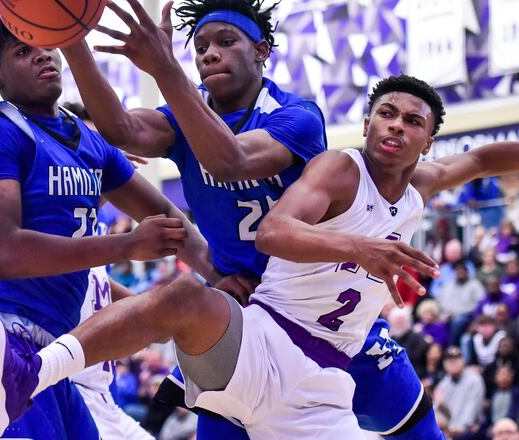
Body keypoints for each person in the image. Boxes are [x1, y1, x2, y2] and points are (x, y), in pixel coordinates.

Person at [0, 69, 519, 437]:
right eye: (387, 112)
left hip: (322, 384)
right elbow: (273, 235)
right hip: (266, 338)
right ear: (368, 122)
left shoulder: (427, 181)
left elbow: (486, 155)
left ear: (425, 142)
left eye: (412, 121)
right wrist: (363, 248)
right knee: (181, 297)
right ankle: (32, 372)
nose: (396, 125)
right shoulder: (339, 167)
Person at [61, 0, 443, 438]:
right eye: (200, 46)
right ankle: (40, 370)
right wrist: (72, 42)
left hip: (321, 319)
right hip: (242, 323)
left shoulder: (296, 116)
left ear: (261, 51)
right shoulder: (181, 117)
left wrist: (166, 71)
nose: (209, 54)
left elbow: (231, 159)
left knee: (422, 432)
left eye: (226, 42)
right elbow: (123, 131)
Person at [0, 3, 220, 439]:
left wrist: (222, 277)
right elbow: (4, 254)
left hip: (51, 360)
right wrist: (124, 246)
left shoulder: (87, 140)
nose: (41, 54)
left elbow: (166, 218)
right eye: (21, 51)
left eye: (43, 44)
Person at [435, 346, 486, 439]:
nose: (453, 363)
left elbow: (472, 408)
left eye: (456, 359)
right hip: (449, 433)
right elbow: (439, 414)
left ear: (463, 361)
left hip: (470, 432)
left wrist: (460, 427)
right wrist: (440, 404)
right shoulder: (442, 385)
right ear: (444, 364)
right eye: (449, 360)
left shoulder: (474, 380)